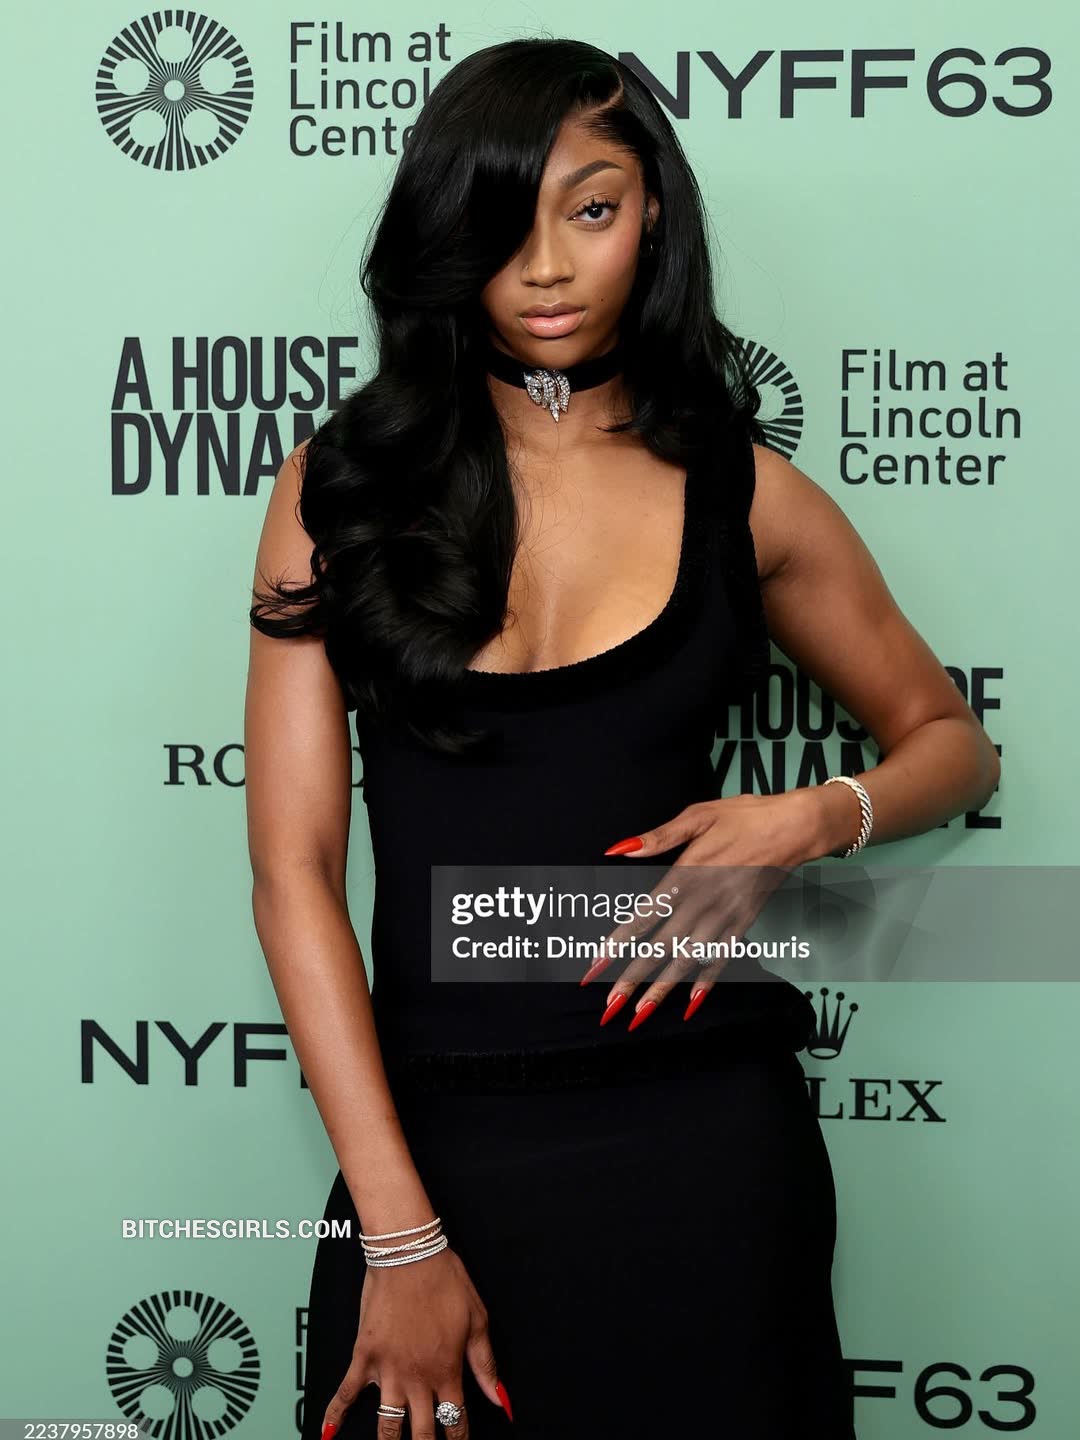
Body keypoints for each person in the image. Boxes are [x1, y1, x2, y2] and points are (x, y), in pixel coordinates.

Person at [245, 36, 1000, 1440]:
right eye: (501, 221)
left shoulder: (746, 494)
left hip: (707, 1145)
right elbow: (293, 873)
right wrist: (401, 1237)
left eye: (590, 210)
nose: (545, 267)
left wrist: (807, 817)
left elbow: (950, 743)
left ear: (652, 213)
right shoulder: (340, 487)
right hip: (432, 1153)